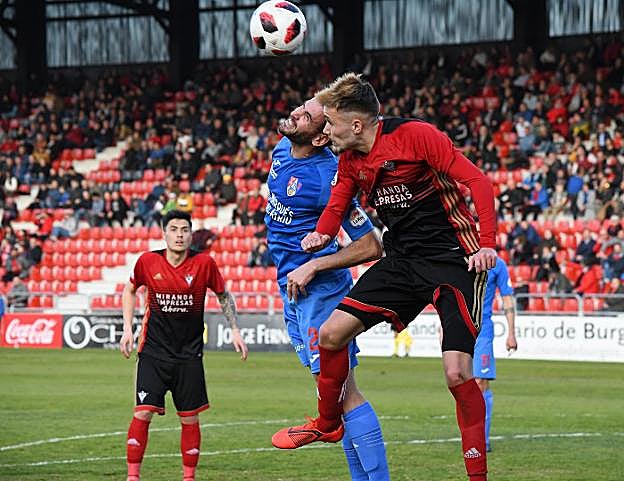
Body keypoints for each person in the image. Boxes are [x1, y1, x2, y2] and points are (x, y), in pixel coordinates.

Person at [272, 74, 497, 481]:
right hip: (403, 261)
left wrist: (486, 244)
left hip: (453, 261)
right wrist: (321, 234)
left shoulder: (417, 136)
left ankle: (477, 476)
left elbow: (478, 181)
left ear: (356, 125)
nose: (327, 131)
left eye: (331, 123)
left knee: (457, 373)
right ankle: (327, 423)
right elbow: (337, 205)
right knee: (331, 335)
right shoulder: (349, 160)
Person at [266, 97, 391, 480]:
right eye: (300, 108)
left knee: (344, 394)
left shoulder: (327, 177)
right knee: (338, 395)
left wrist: (314, 264)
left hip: (321, 293)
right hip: (292, 290)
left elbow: (371, 246)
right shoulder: (283, 147)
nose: (294, 115)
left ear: (321, 138)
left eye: (305, 116)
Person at [119, 210, 248, 481]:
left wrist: (235, 329)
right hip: (153, 353)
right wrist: (127, 328)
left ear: (191, 234)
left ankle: (189, 477)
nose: (179, 235)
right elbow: (129, 290)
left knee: (189, 418)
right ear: (164, 234)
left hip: (189, 356)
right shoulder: (147, 262)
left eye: (185, 230)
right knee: (143, 412)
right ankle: (133, 477)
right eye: (174, 229)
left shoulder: (204, 263)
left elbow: (223, 295)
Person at [473, 256, 517, 452]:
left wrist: (511, 333)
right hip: (460, 327)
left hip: (483, 331)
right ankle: (470, 435)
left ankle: (482, 440)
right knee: (459, 382)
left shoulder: (497, 264)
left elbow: (507, 298)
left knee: (480, 382)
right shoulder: (459, 256)